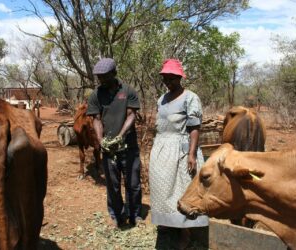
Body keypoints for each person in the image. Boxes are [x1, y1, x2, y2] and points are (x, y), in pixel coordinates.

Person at [149, 59, 209, 249]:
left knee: (184, 190)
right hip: (161, 151)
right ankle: (168, 226)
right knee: (162, 190)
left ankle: (190, 232)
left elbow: (194, 127)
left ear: (179, 77)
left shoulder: (190, 97)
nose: (168, 82)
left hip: (181, 150)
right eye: (165, 78)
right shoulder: (161, 99)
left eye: (172, 78)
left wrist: (191, 154)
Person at [86, 58, 142, 228]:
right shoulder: (96, 94)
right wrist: (101, 139)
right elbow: (96, 118)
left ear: (114, 74)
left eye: (104, 76)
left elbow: (131, 114)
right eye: (99, 77)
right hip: (109, 150)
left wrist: (120, 136)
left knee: (133, 184)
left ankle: (135, 215)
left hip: (129, 147)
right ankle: (116, 215)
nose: (101, 80)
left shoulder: (128, 91)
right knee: (113, 185)